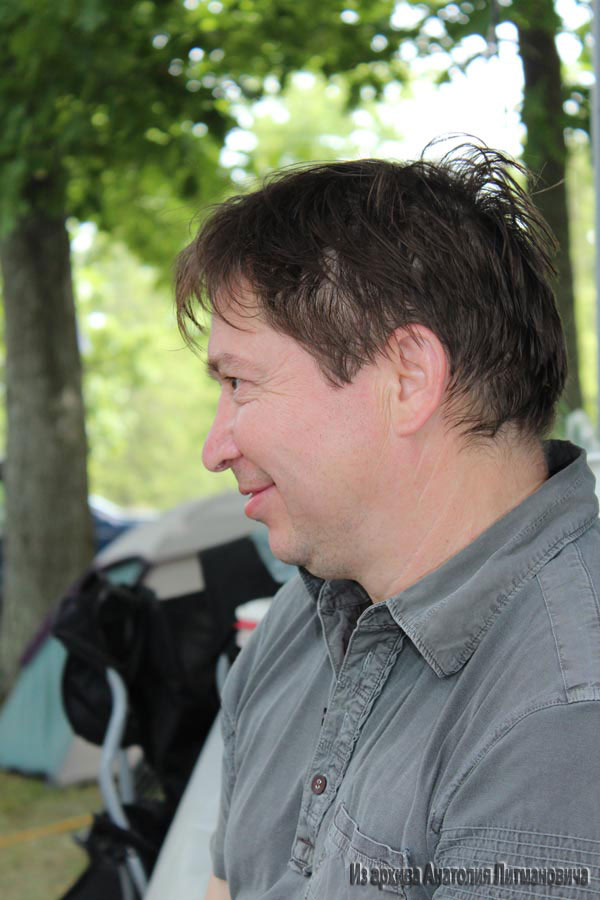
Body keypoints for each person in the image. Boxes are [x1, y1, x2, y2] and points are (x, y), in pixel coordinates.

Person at [175, 144, 600, 900]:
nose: (215, 449)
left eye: (240, 382)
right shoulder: (302, 619)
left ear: (408, 379)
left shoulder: (564, 713)